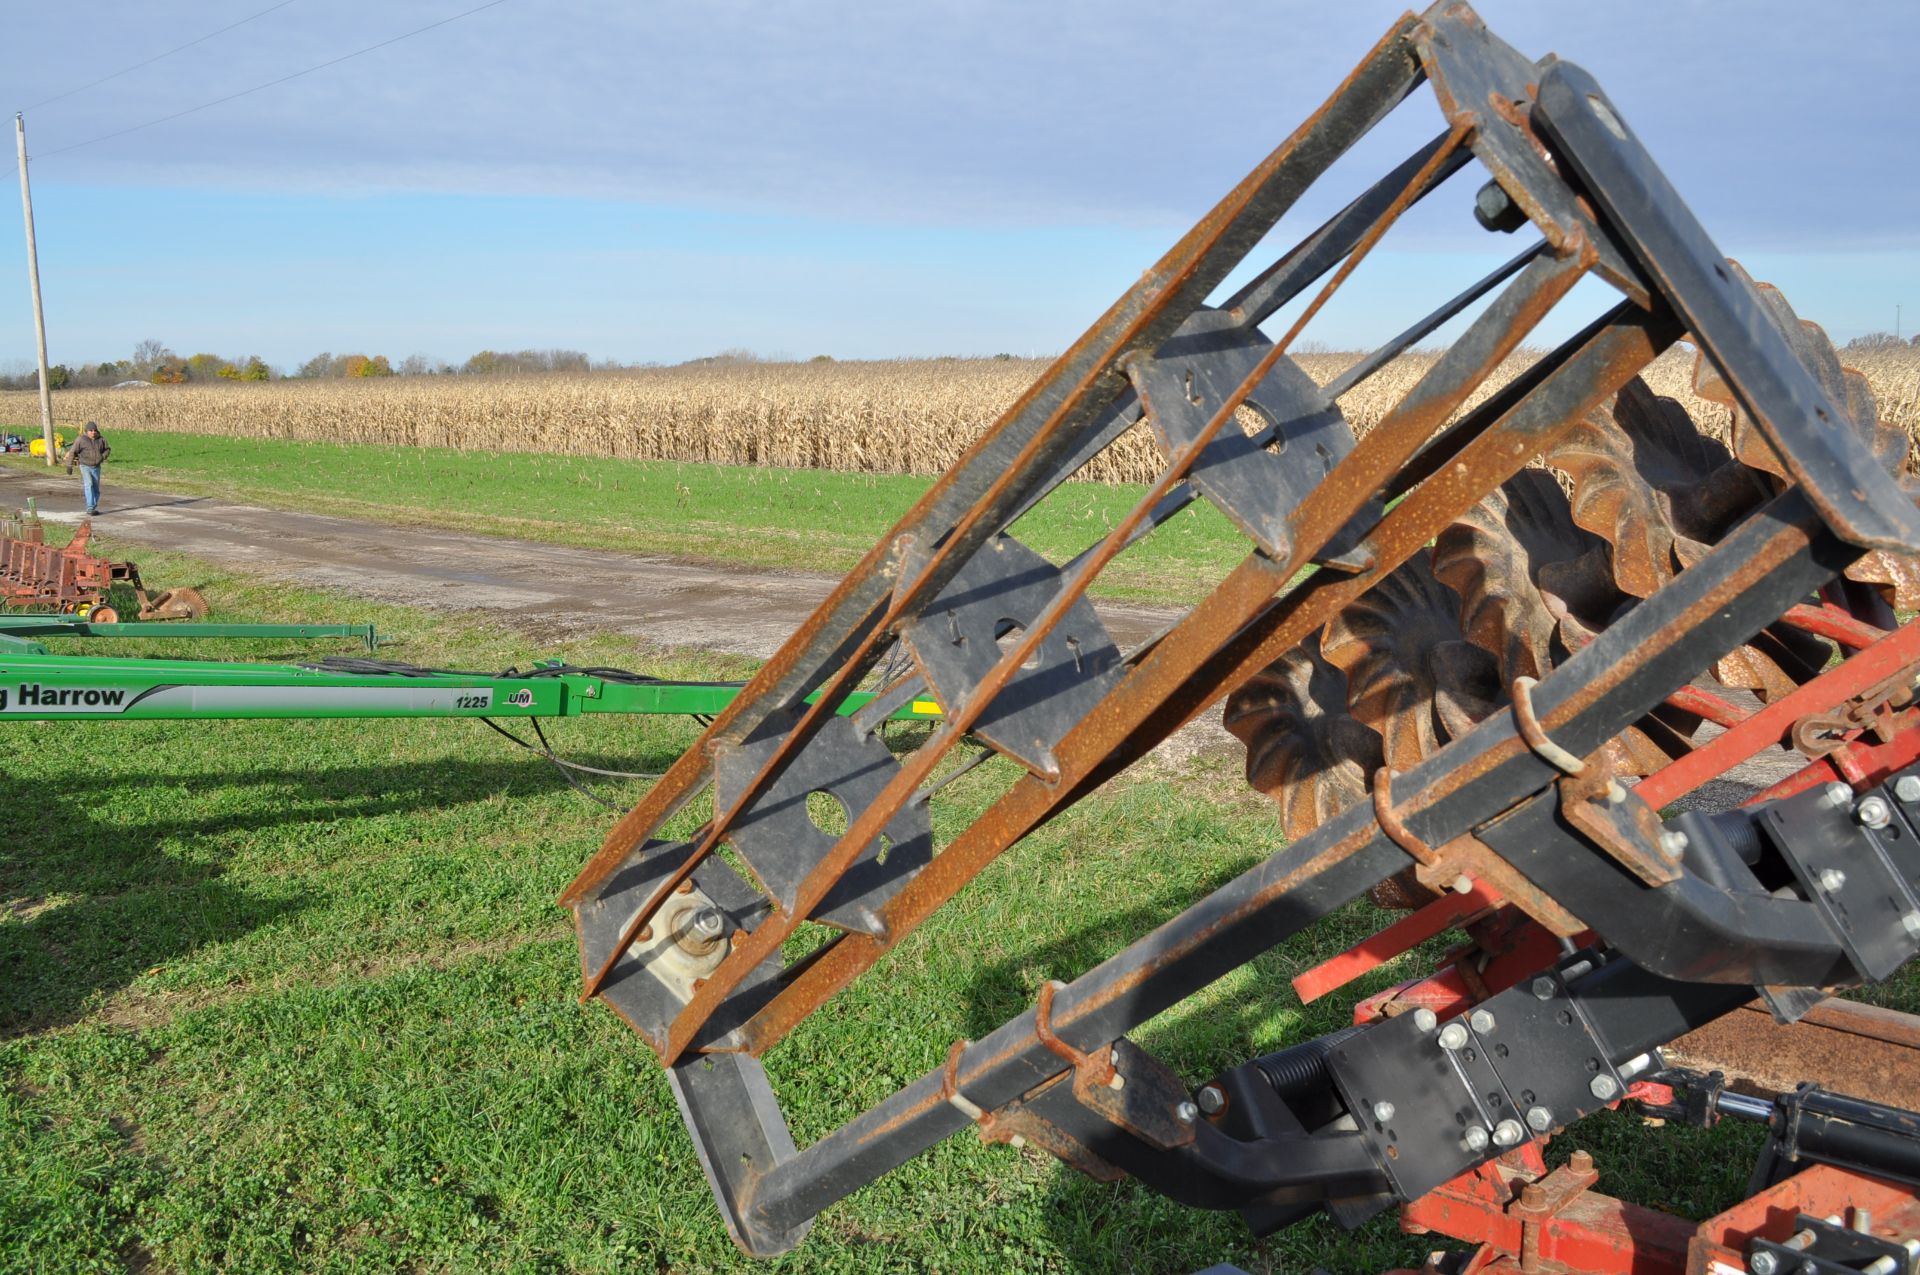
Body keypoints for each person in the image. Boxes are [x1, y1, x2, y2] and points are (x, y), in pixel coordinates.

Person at [63, 421, 111, 516]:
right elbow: (72, 452)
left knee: (96, 487)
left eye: (95, 430)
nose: (93, 432)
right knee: (89, 484)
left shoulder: (101, 440)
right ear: (87, 431)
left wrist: (103, 457)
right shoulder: (81, 440)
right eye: (91, 430)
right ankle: (90, 507)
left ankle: (93, 506)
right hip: (84, 465)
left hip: (96, 466)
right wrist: (69, 465)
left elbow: (107, 449)